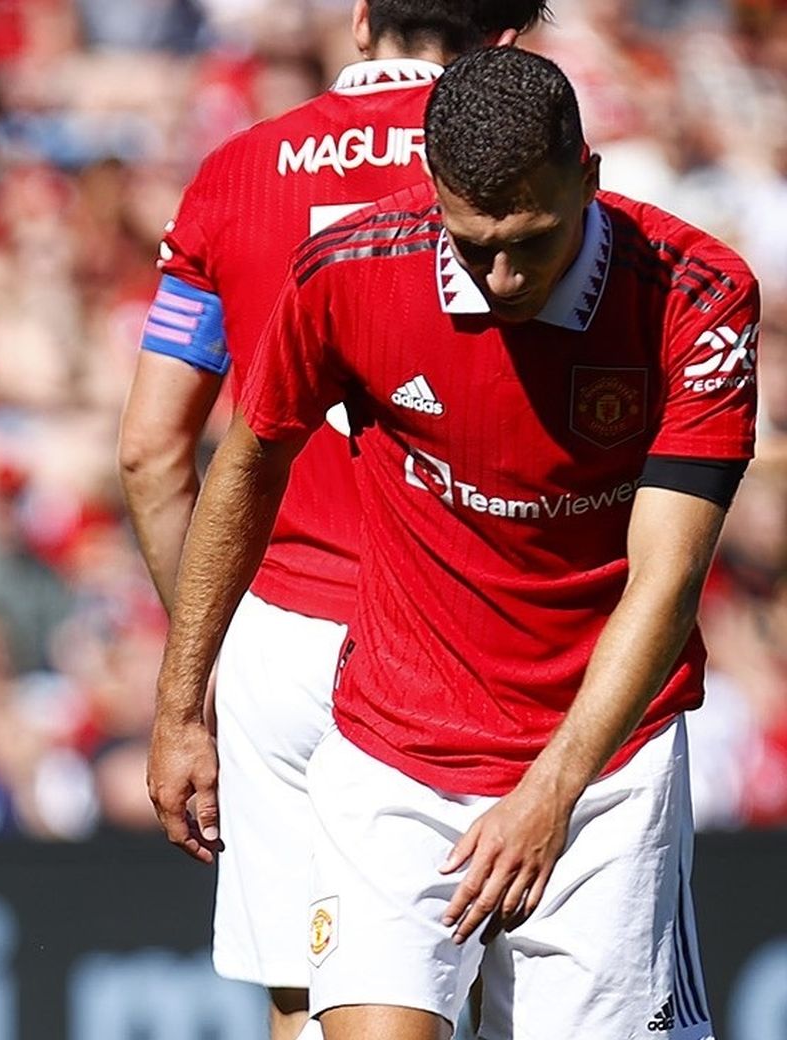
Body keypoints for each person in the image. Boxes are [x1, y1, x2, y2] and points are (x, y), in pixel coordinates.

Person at [151, 46, 752, 1040]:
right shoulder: (347, 270)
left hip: (603, 766)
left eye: (534, 238)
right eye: (475, 245)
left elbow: (667, 576)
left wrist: (551, 788)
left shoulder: (697, 293)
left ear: (589, 179)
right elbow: (243, 470)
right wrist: (179, 703)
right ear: (432, 192)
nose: (504, 274)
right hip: (393, 749)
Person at [119, 3, 548, 1037]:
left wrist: (205, 654)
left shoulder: (235, 171)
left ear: (361, 21)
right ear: (507, 45)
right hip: (476, 635)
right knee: (493, 995)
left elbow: (149, 448)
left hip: (289, 633)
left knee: (310, 1001)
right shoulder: (528, 173)